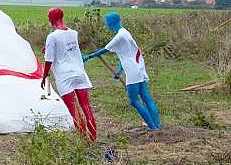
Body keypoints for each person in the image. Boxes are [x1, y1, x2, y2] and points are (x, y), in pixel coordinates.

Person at [83, 12, 160, 130]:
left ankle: (153, 128)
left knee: (134, 101)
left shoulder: (119, 36)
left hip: (133, 71)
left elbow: (105, 49)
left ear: (111, 22)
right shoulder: (125, 32)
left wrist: (89, 56)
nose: (106, 24)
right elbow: (124, 54)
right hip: (138, 67)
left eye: (106, 22)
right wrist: (119, 71)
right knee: (146, 98)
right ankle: (157, 125)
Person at [41, 7, 97, 141]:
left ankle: (84, 140)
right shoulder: (73, 33)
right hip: (79, 72)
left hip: (64, 76)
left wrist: (44, 76)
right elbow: (67, 49)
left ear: (51, 19)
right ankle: (93, 137)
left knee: (74, 110)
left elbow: (49, 60)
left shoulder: (52, 36)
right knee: (86, 107)